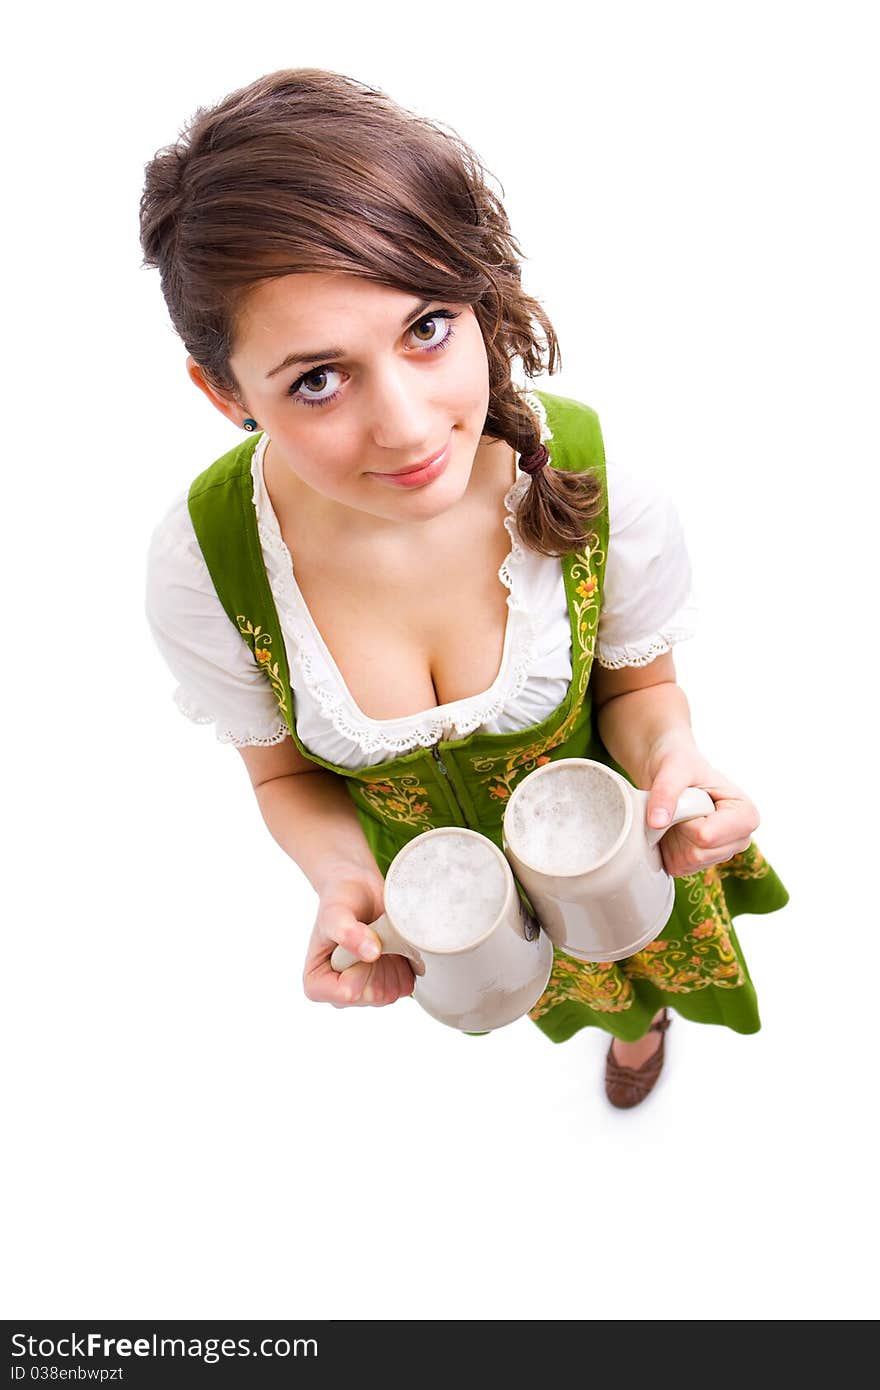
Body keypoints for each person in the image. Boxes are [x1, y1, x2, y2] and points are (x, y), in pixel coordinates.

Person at [141, 67, 789, 1109]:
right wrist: (345, 882)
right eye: (317, 377)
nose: (404, 424)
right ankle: (605, 1023)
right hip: (446, 908)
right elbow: (281, 780)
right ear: (224, 393)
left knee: (633, 969)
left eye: (427, 327)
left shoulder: (593, 481)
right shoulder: (204, 567)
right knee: (540, 989)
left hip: (610, 844)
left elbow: (637, 691)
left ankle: (642, 1026)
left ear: (475, 292)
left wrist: (673, 762)